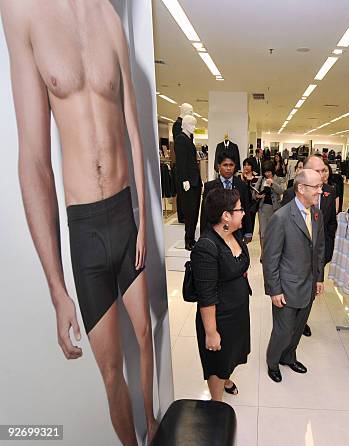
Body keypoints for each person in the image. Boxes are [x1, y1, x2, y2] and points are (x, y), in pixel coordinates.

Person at [1, 1, 158, 444]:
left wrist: (143, 221)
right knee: (109, 372)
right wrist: (57, 289)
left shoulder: (108, 15)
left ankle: (153, 427)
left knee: (145, 334)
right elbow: (33, 160)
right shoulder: (20, 11)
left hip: (126, 217)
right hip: (85, 229)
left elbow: (133, 128)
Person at [263, 169, 325, 383]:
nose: (320, 190)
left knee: (298, 329)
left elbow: (319, 248)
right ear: (301, 188)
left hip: (308, 285)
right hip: (287, 287)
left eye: (320, 186)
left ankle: (289, 357)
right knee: (283, 330)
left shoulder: (317, 212)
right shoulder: (281, 217)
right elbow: (270, 257)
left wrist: (319, 278)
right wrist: (274, 290)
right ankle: (272, 361)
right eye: (316, 187)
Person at [192, 188, 251, 401]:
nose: (243, 213)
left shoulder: (233, 234)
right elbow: (206, 296)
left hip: (237, 312)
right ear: (226, 215)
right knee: (217, 362)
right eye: (239, 209)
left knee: (232, 354)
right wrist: (211, 332)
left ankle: (226, 378)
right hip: (219, 317)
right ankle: (217, 404)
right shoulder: (206, 247)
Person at [281, 156, 338, 337]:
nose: (322, 175)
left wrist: (326, 252)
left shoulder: (330, 192)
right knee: (295, 290)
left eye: (324, 170)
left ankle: (301, 321)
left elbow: (331, 224)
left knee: (311, 291)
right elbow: (283, 227)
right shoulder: (291, 193)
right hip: (295, 257)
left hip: (317, 256)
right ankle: (291, 322)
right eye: (317, 171)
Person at [201, 155, 253, 243]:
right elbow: (205, 213)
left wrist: (248, 231)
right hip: (216, 230)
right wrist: (203, 234)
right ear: (219, 167)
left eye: (231, 165)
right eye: (225, 165)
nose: (228, 168)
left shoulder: (242, 186)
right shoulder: (210, 187)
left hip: (237, 231)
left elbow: (246, 209)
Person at [174, 115, 202, 250]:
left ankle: (191, 239)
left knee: (195, 211)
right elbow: (181, 162)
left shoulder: (188, 139)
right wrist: (184, 179)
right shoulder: (180, 139)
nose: (194, 127)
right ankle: (188, 240)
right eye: (191, 124)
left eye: (194, 124)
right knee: (190, 212)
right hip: (189, 183)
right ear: (184, 125)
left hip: (195, 182)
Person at [254, 161, 286, 252]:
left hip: (276, 208)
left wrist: (272, 183)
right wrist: (258, 196)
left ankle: (272, 251)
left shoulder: (278, 179)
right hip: (263, 208)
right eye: (265, 172)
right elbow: (254, 193)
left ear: (272, 170)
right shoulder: (261, 179)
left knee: (274, 231)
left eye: (269, 171)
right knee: (263, 232)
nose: (267, 174)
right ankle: (263, 253)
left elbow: (282, 191)